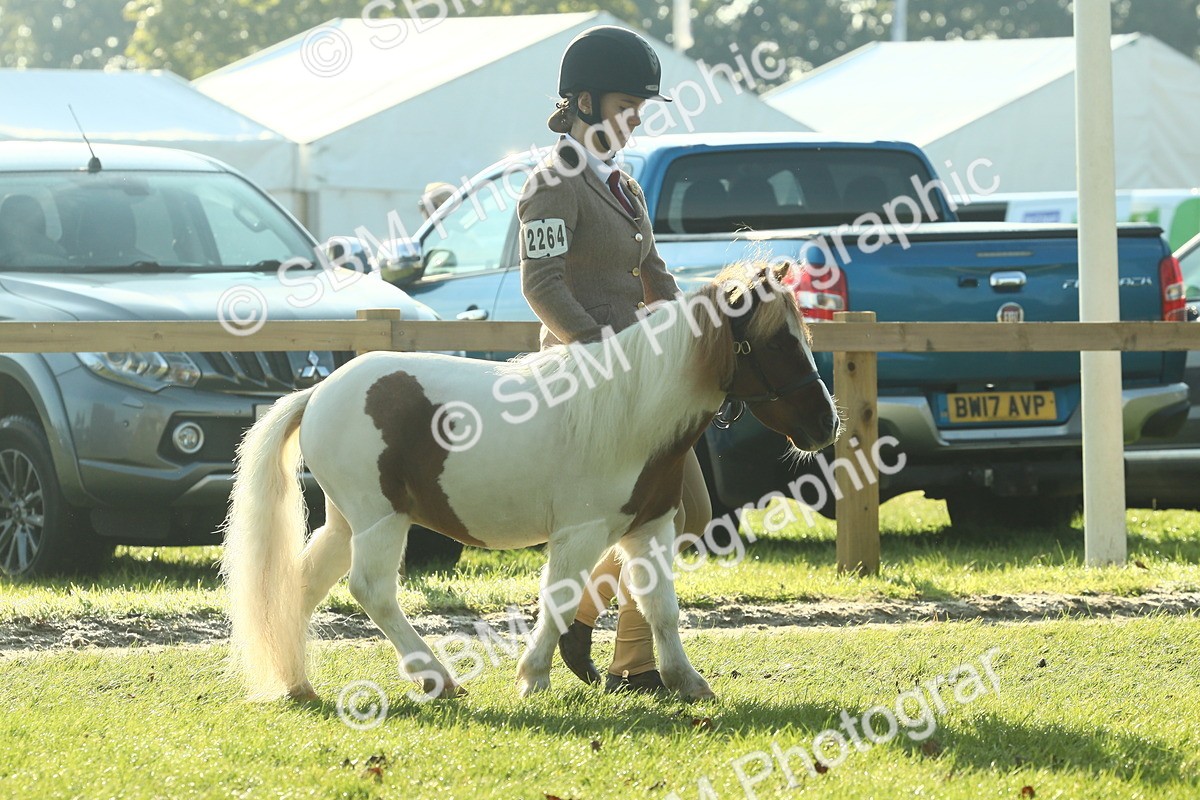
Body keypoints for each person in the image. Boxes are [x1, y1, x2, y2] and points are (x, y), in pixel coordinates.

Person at [518, 25, 712, 693]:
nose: (633, 121)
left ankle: (584, 615)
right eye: (625, 106)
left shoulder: (624, 187)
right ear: (583, 100)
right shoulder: (553, 180)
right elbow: (541, 284)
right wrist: (603, 352)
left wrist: (683, 330)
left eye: (640, 109)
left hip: (643, 383)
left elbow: (655, 274)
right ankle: (635, 667)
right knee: (658, 515)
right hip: (586, 375)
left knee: (691, 512)